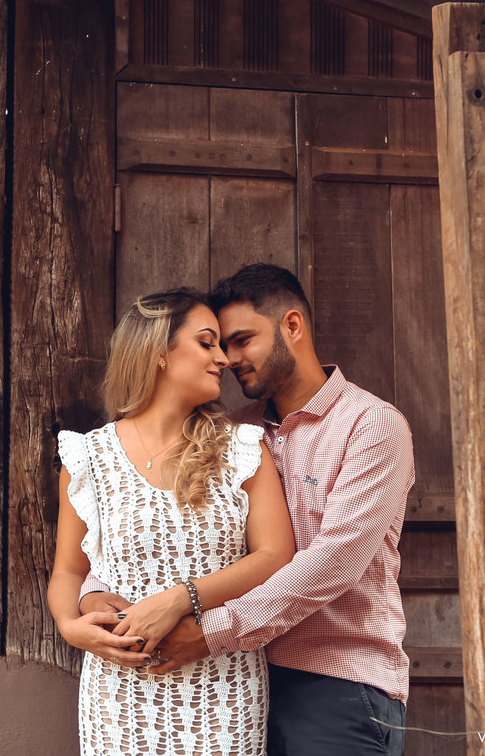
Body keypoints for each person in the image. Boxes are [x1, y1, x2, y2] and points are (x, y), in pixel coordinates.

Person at [83, 264, 415, 756]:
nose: (228, 358)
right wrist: (97, 598)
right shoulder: (232, 435)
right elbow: (158, 527)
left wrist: (208, 630)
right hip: (235, 681)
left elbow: (336, 561)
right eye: (218, 343)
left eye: (241, 340)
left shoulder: (370, 425)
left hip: (335, 681)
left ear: (293, 326)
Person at [47, 288, 295, 756]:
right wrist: (68, 624)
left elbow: (275, 555)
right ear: (158, 351)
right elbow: (69, 570)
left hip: (224, 685)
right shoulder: (88, 456)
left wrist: (179, 601)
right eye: (207, 343)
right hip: (119, 694)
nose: (223, 359)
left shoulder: (242, 446)